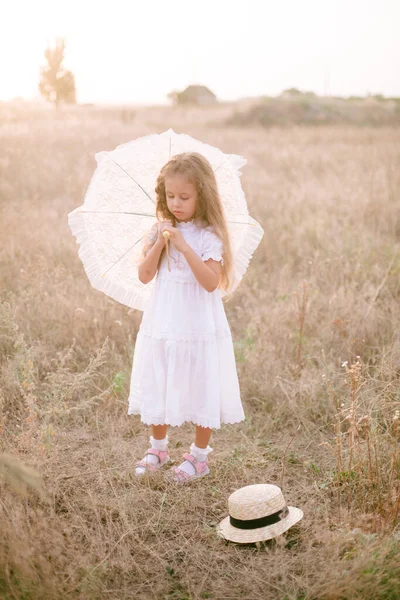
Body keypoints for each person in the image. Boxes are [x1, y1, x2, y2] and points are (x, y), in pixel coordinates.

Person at [128, 152, 245, 483]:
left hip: (197, 323)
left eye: (184, 197)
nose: (176, 203)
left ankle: (199, 456)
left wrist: (183, 246)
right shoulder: (159, 231)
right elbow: (144, 275)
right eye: (170, 196)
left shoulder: (209, 235)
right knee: (160, 375)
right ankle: (158, 448)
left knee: (200, 379)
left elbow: (210, 282)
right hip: (164, 320)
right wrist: (160, 244)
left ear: (201, 195)